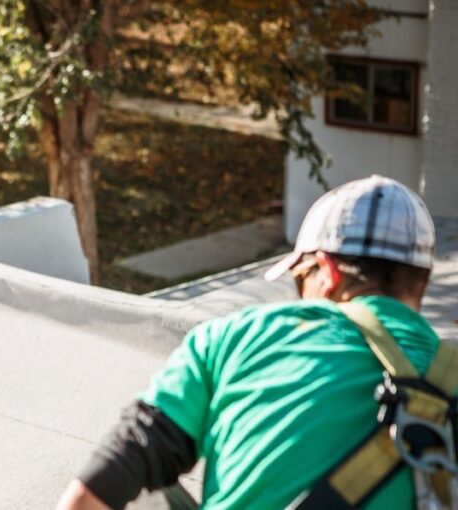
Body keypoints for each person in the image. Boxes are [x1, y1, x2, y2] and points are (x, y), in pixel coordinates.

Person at [56, 175, 446, 510]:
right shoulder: (449, 371)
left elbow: (91, 494)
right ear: (421, 281)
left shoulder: (231, 338)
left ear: (325, 272)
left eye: (300, 280)